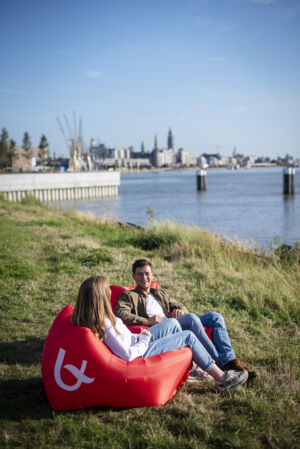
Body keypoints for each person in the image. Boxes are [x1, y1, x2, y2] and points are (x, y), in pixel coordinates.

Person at [71, 275, 249, 393]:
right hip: (139, 351)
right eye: (106, 291)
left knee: (172, 322)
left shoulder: (102, 318)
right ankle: (222, 379)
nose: (110, 292)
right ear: (99, 297)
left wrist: (140, 335)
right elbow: (126, 354)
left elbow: (125, 340)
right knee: (187, 336)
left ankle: (190, 367)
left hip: (137, 341)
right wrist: (144, 339)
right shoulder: (107, 323)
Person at [114, 259, 258, 380]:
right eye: (139, 274)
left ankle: (230, 361)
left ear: (152, 275)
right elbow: (121, 314)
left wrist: (180, 311)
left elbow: (180, 305)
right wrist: (147, 321)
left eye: (147, 274)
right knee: (190, 318)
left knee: (215, 317)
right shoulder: (129, 296)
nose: (144, 277)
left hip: (175, 323)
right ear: (134, 276)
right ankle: (223, 365)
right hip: (162, 330)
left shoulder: (159, 293)